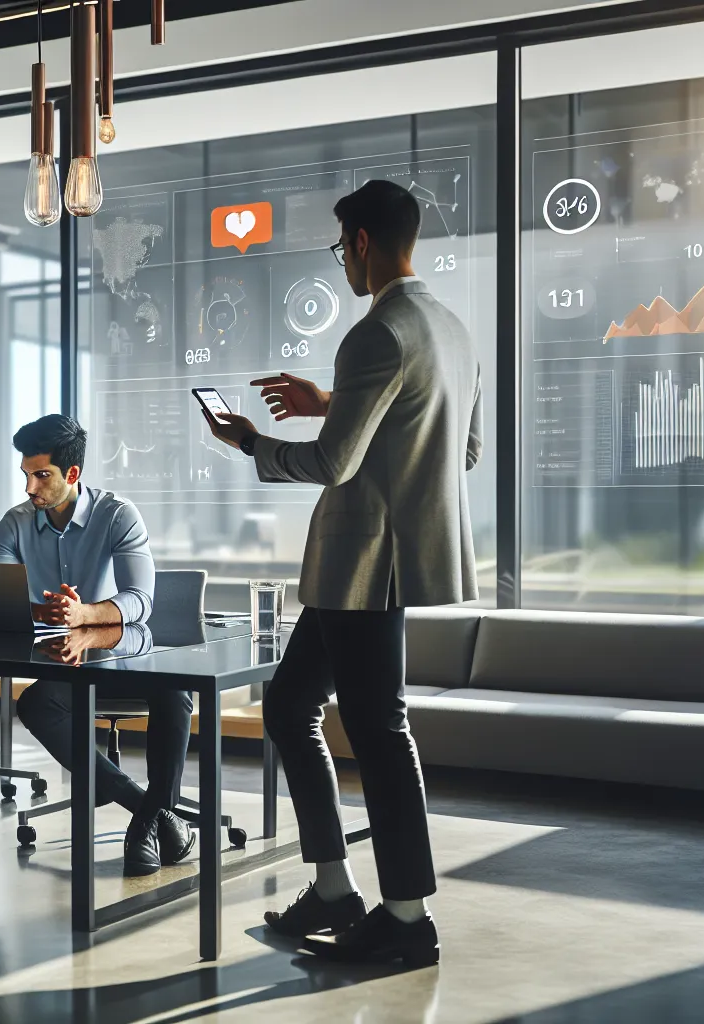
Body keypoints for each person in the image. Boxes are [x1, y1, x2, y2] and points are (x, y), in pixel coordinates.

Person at [203, 178, 483, 967]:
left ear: (360, 242)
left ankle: (407, 918)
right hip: (372, 566)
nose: (344, 263)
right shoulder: (453, 330)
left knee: (379, 730)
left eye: (341, 248)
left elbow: (333, 464)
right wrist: (334, 400)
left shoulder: (375, 332)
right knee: (291, 706)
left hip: (364, 562)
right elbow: (460, 450)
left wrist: (250, 442)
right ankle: (334, 887)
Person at [0, 414, 193, 877]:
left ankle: (146, 822)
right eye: (25, 474)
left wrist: (84, 613)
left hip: (125, 659)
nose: (29, 487)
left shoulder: (117, 514)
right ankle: (153, 813)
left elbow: (141, 600)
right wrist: (42, 610)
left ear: (72, 473)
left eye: (41, 475)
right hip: (64, 666)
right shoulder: (15, 523)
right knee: (36, 704)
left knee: (175, 691)